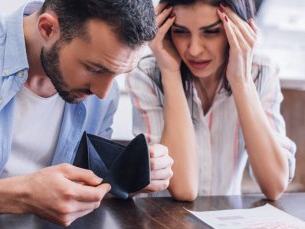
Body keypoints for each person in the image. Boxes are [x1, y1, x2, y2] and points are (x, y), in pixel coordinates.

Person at [0, 0, 174, 227]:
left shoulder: (101, 91)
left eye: (116, 74)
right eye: (94, 68)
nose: (103, 92)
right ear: (47, 29)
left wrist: (131, 176)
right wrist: (22, 195)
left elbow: (90, 186)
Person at [126, 0, 296, 201]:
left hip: (224, 222)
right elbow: (183, 189)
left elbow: (275, 184)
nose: (194, 50)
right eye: (180, 31)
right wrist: (170, 72)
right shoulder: (148, 74)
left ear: (239, 28)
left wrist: (241, 80)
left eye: (211, 32)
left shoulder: (261, 72)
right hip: (163, 223)